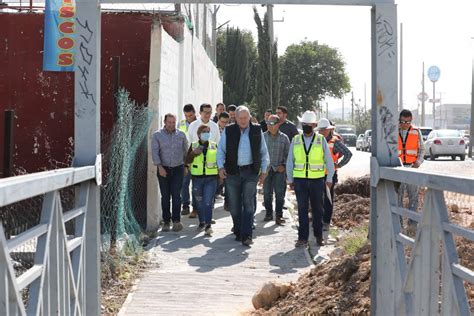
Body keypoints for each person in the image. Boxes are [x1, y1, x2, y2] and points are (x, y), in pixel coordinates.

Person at [217, 106, 269, 246]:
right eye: (240, 118)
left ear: (250, 117)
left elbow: (264, 152)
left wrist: (263, 171)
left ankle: (247, 234)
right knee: (234, 206)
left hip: (250, 172)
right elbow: (220, 151)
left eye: (245, 118)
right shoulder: (229, 130)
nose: (243, 120)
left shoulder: (257, 130)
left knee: (248, 203)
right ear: (236, 118)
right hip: (232, 172)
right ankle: (239, 229)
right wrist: (220, 167)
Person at [286, 111, 334, 247]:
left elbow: (328, 161)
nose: (307, 126)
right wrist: (290, 179)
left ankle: (318, 236)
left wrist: (329, 178)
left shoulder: (321, 140)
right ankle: (303, 238)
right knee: (301, 209)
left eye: (309, 124)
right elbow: (290, 161)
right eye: (304, 124)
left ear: (314, 125)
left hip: (317, 180)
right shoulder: (295, 140)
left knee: (317, 210)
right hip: (300, 181)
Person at [151, 113, 189, 232]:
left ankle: (176, 221)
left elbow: (185, 151)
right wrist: (160, 167)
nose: (171, 125)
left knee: (176, 195)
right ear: (165, 122)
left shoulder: (181, 135)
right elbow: (155, 152)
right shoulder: (157, 135)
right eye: (169, 122)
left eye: (173, 122)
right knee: (165, 196)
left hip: (178, 168)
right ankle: (166, 221)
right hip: (163, 169)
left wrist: (186, 166)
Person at [316, 118, 352, 233]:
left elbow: (348, 154)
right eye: (321, 130)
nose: (322, 132)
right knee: (317, 198)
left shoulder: (335, 141)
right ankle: (318, 219)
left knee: (327, 198)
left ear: (329, 130)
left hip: (329, 175)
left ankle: (326, 222)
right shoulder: (315, 140)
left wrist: (339, 165)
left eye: (324, 130)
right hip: (316, 174)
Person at [185, 125, 219, 236]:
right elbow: (187, 160)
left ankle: (208, 225)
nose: (207, 133)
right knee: (199, 202)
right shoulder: (194, 145)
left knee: (208, 202)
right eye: (204, 131)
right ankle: (202, 222)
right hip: (197, 179)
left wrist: (221, 176)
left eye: (208, 131)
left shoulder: (214, 145)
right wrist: (193, 153)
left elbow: (220, 160)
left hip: (211, 178)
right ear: (199, 134)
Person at [397, 109, 424, 232]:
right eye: (403, 121)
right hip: (398, 169)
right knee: (398, 198)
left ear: (411, 120)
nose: (405, 124)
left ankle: (413, 226)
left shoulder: (416, 132)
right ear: (399, 120)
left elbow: (422, 150)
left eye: (408, 122)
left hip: (412, 169)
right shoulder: (393, 132)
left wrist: (418, 162)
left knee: (414, 198)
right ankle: (398, 225)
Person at [263, 114, 290, 225]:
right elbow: (259, 153)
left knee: (279, 194)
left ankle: (279, 215)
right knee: (266, 193)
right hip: (266, 170)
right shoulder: (263, 136)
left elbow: (289, 155)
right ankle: (269, 213)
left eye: (272, 123)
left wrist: (283, 165)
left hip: (279, 170)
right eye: (267, 123)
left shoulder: (284, 138)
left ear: (278, 124)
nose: (269, 125)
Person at [178, 104, 197, 216]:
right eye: (186, 115)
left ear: (194, 113)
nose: (188, 118)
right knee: (184, 183)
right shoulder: (181, 124)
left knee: (196, 184)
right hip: (184, 158)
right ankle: (185, 205)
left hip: (196, 158)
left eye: (190, 115)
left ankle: (196, 207)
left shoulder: (199, 123)